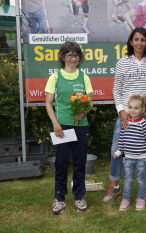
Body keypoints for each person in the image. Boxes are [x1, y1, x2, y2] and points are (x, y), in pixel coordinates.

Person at [103, 27, 146, 203]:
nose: (139, 43)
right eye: (136, 39)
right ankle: (114, 185)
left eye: (143, 40)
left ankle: (144, 185)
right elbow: (116, 89)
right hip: (126, 115)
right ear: (131, 41)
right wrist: (121, 110)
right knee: (116, 151)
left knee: (144, 152)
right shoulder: (122, 62)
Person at [45, 41, 93, 215]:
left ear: (80, 58)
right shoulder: (55, 77)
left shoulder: (84, 77)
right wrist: (56, 123)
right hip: (61, 127)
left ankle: (79, 197)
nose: (73, 58)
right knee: (61, 164)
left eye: (76, 55)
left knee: (80, 163)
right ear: (63, 57)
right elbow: (48, 103)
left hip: (81, 126)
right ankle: (59, 198)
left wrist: (84, 112)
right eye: (69, 55)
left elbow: (89, 102)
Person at [113, 95, 146, 211]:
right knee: (128, 179)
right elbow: (122, 137)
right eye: (130, 107)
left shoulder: (144, 124)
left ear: (142, 110)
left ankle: (141, 198)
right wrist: (119, 150)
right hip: (128, 158)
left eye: (136, 108)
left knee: (141, 179)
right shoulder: (125, 122)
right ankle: (125, 199)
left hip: (141, 158)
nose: (132, 110)